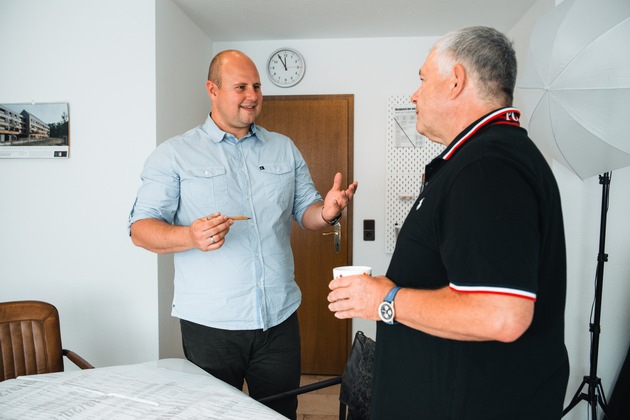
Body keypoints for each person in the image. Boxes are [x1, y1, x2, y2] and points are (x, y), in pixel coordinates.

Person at [328, 26, 569, 419]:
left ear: (456, 80)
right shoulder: (484, 158)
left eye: (422, 80)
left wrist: (384, 301)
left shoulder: (488, 166)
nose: (414, 94)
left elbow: (501, 314)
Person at [128, 49, 357, 419]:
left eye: (257, 86)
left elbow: (307, 212)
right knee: (214, 415)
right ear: (212, 90)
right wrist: (190, 237)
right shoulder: (174, 154)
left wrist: (327, 213)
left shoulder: (283, 148)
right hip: (211, 324)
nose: (252, 95)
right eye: (241, 87)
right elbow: (140, 229)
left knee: (280, 411)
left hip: (278, 319)